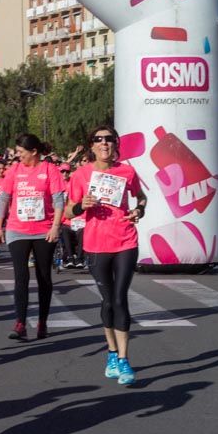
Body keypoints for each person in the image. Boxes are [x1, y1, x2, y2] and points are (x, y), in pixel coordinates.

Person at [66, 126, 147, 387]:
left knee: (120, 298)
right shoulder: (81, 175)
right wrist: (82, 206)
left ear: (116, 144)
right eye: (98, 140)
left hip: (125, 240)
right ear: (91, 146)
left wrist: (138, 212)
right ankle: (112, 353)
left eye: (109, 139)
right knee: (108, 300)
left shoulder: (127, 171)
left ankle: (124, 358)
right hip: (96, 243)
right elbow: (68, 211)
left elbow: (142, 197)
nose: (104, 144)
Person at [0, 134, 65, 341]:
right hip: (17, 229)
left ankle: (42, 322)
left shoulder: (49, 170)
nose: (18, 156)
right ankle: (20, 323)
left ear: (34, 152)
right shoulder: (14, 170)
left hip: (44, 230)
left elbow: (58, 201)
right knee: (21, 277)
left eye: (21, 152)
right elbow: (4, 198)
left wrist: (55, 227)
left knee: (44, 278)